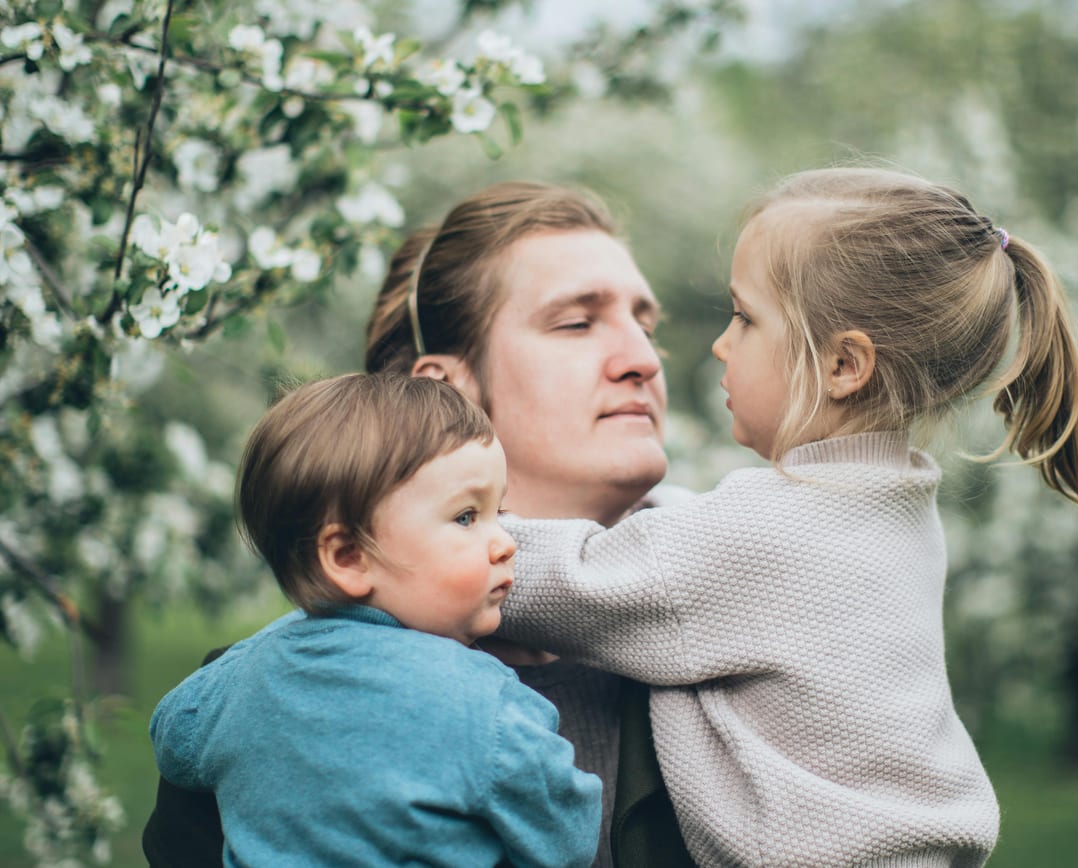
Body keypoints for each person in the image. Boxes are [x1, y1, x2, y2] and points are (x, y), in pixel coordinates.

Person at [492, 167, 1078, 866]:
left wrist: (432, 528)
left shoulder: (766, 533)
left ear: (844, 364)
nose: (723, 345)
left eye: (745, 317)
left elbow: (568, 581)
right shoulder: (893, 508)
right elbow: (700, 556)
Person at [143, 181, 695, 868]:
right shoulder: (266, 711)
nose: (642, 358)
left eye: (648, 324)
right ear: (443, 390)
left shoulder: (729, 649)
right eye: (577, 323)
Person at [149, 373, 603, 867]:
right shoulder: (481, 699)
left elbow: (173, 739)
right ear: (347, 557)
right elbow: (569, 837)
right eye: (467, 517)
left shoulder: (233, 682)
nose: (507, 541)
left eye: (501, 509)